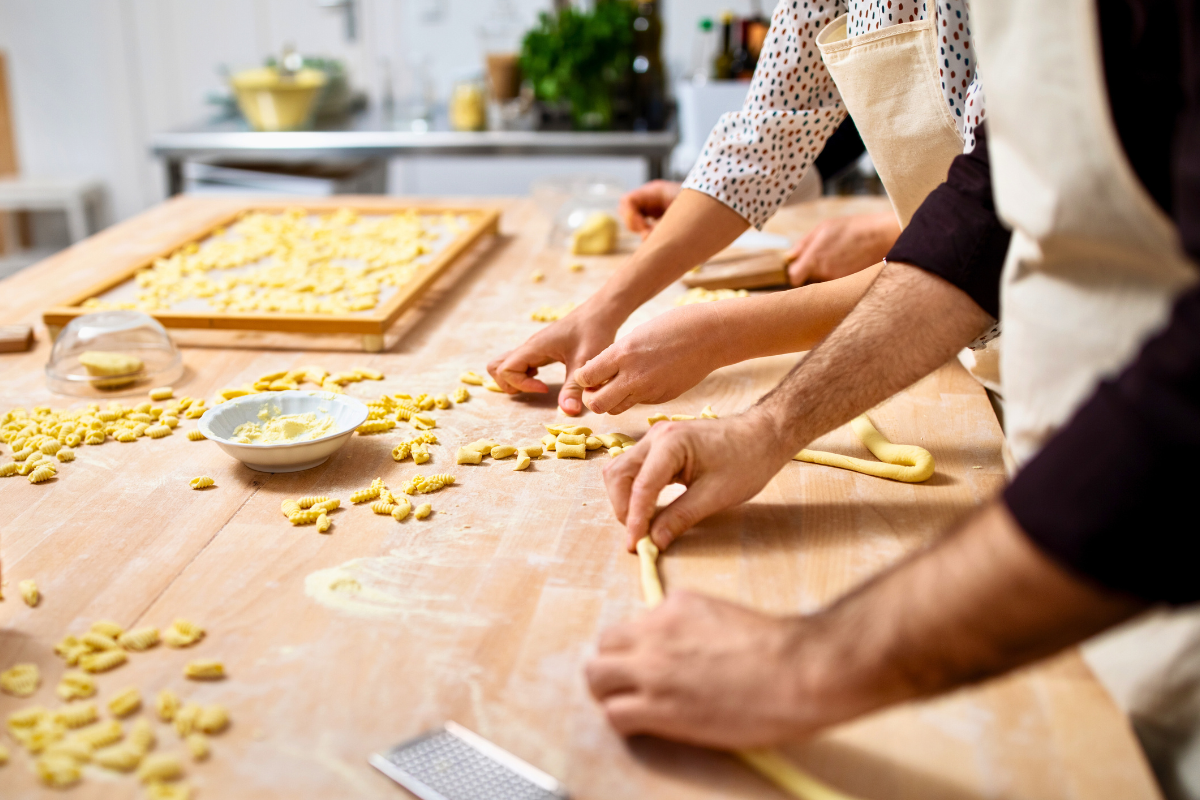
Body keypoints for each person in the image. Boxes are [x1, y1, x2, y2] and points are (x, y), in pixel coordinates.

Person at [588, 0, 1200, 795]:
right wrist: (768, 427)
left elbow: (1182, 410)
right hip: (1067, 506)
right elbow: (989, 217)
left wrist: (802, 665)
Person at [489, 0, 983, 416]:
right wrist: (600, 310)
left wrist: (719, 337)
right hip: (945, 329)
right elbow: (764, 138)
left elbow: (986, 232)